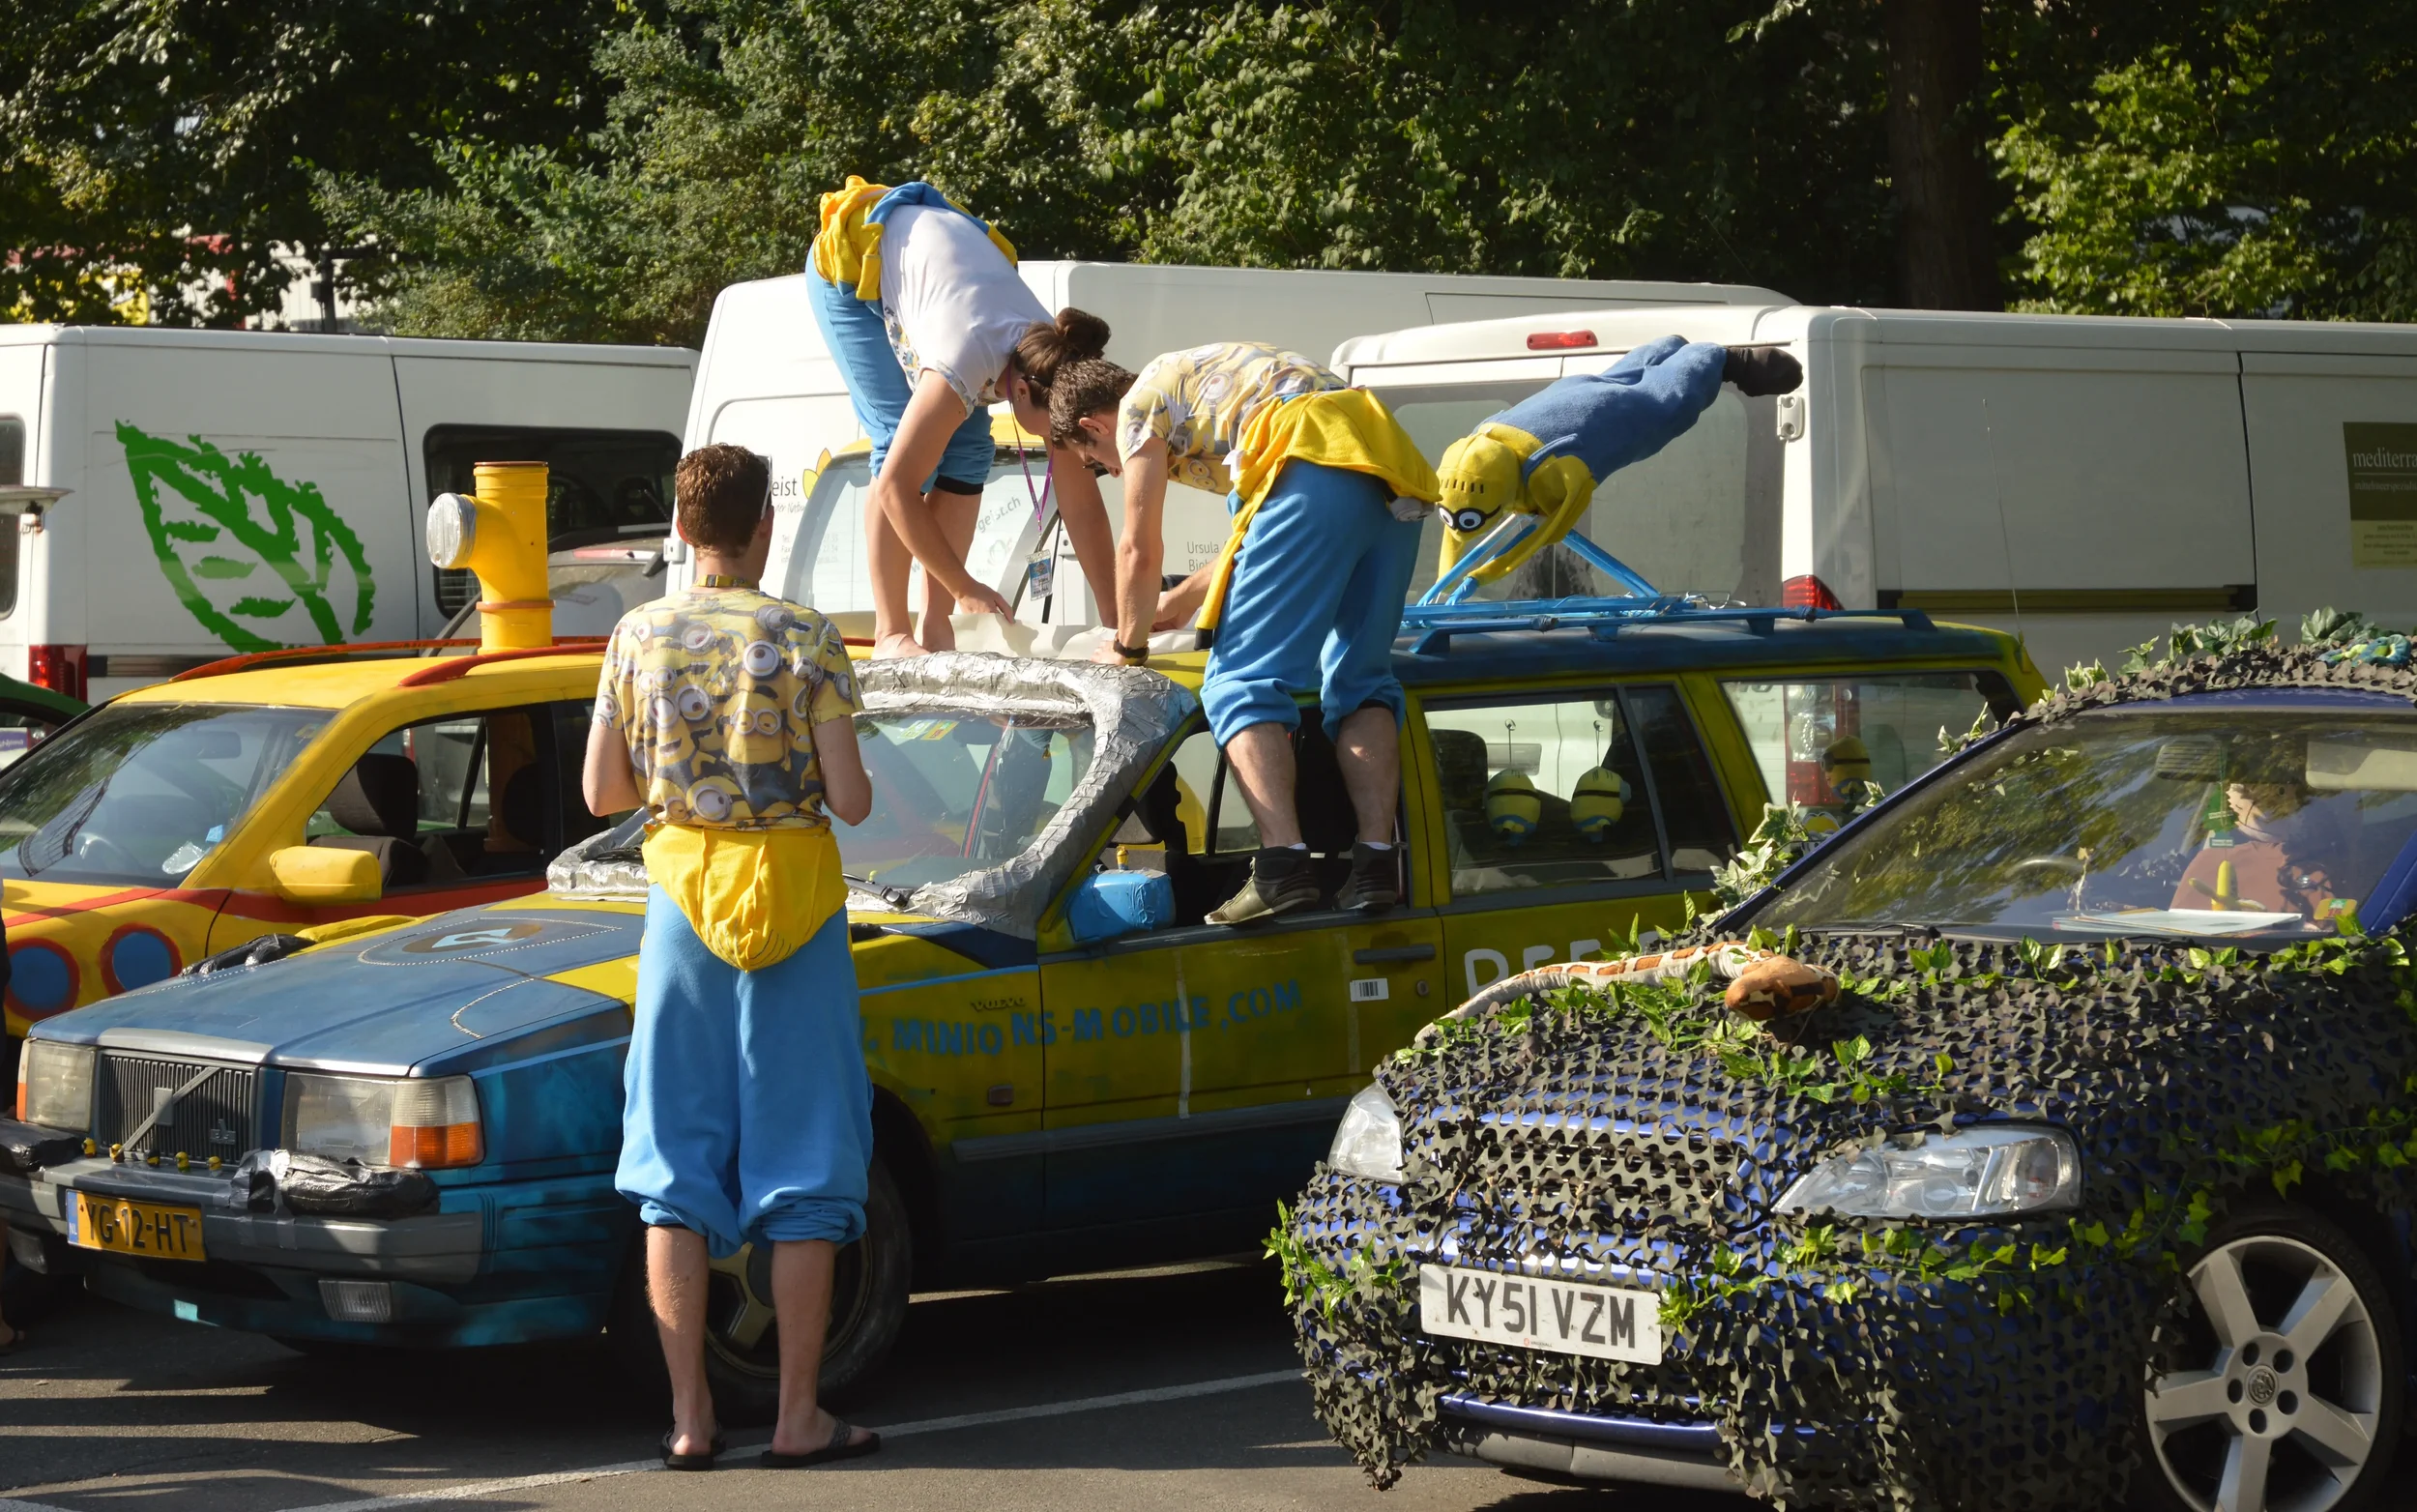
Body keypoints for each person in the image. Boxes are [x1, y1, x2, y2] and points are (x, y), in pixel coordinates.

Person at [582, 444, 880, 1470]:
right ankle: (800, 1414)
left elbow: (600, 795)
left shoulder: (635, 634)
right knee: (805, 1164)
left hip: (682, 904)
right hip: (796, 901)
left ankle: (689, 1418)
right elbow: (851, 800)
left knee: (672, 1165)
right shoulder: (803, 636)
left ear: (680, 527)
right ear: (765, 528)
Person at [1051, 342, 1440, 924]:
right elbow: (1257, 531)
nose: (1110, 471)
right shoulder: (1208, 397)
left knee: (1238, 682)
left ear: (1093, 425)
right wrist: (1181, 601)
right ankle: (1377, 865)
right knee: (1361, 680)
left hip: (1315, 465)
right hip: (1393, 472)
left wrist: (1129, 647)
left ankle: (1283, 866)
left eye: (1094, 460)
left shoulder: (1137, 408)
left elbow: (1138, 544)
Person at [809, 176, 1120, 657]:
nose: (1059, 444)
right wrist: (964, 587)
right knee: (899, 446)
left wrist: (1116, 623)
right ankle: (892, 632)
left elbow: (1083, 506)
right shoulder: (966, 355)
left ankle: (936, 629)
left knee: (971, 447)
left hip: (939, 268)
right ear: (1019, 391)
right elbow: (896, 486)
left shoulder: (1054, 366)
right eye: (1058, 436)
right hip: (853, 265)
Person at [1430, 336, 1805, 586]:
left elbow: (1551, 529)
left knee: (1662, 404)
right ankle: (1666, 348)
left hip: (1595, 422)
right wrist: (1447, 585)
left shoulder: (1554, 468)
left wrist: (1478, 577)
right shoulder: (1471, 451)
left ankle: (1722, 360)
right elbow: (1455, 525)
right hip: (1564, 398)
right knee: (1613, 378)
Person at [2171, 779, 2346, 921]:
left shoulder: (2332, 873)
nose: (2259, 806)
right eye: (2245, 791)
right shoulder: (2211, 862)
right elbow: (2176, 933)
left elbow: (2339, 935)